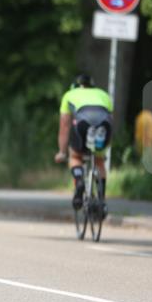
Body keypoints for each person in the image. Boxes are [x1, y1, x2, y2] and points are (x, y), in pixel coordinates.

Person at [54, 73, 113, 212]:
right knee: (99, 161)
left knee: (75, 156)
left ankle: (79, 180)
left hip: (82, 123)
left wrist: (62, 152)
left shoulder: (69, 94)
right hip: (104, 124)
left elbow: (64, 126)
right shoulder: (104, 95)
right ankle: (102, 202)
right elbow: (111, 123)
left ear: (77, 86)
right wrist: (105, 150)